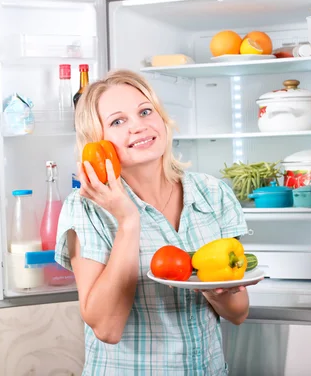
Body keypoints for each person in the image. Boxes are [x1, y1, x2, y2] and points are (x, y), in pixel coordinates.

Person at [55, 69, 254, 375]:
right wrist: (128, 221)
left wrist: (215, 291)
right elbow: (107, 329)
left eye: (145, 111)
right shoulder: (85, 209)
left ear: (162, 119)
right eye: (118, 121)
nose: (139, 126)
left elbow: (238, 312)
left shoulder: (213, 194)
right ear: (98, 142)